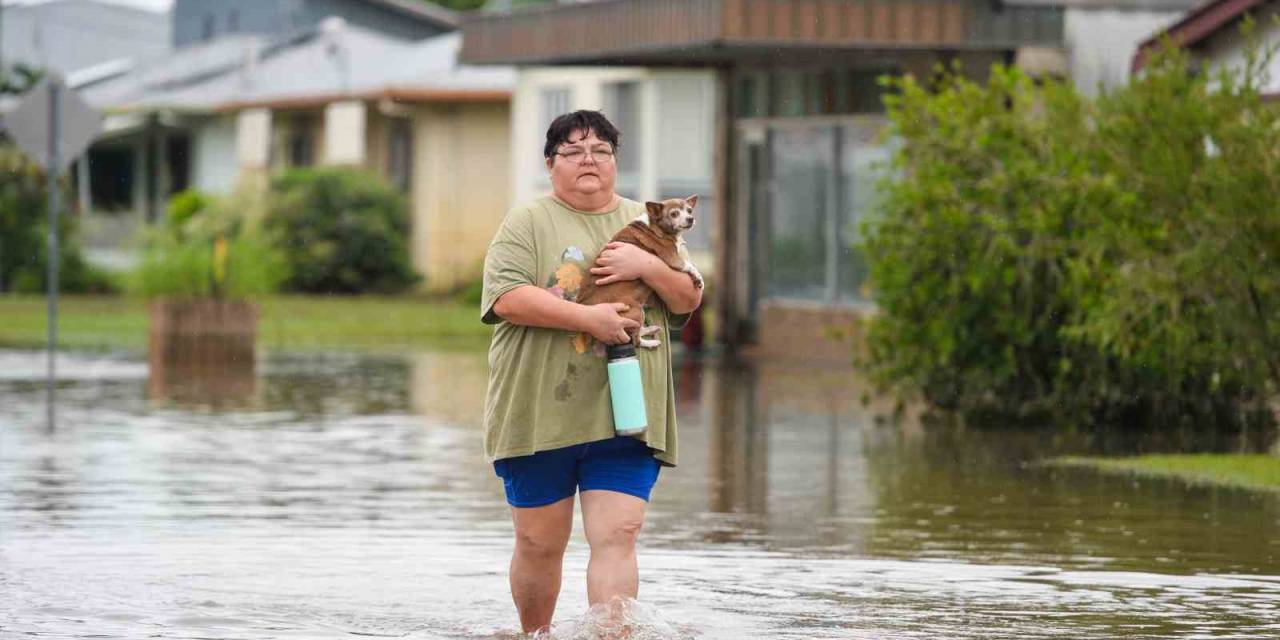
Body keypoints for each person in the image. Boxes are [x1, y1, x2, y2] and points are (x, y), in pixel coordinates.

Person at [480, 110, 702, 634]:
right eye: (574, 151)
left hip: (625, 411)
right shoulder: (527, 221)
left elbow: (688, 296)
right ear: (550, 163)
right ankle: (536, 634)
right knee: (538, 543)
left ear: (615, 163)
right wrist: (589, 318)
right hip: (540, 410)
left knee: (620, 531)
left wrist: (646, 267)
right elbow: (507, 298)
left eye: (601, 150)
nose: (589, 160)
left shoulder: (652, 221)